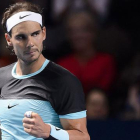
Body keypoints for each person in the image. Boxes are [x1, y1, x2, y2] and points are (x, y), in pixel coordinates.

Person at [0, 1, 90, 140]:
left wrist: (48, 130)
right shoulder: (1, 77)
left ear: (43, 33)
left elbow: (82, 137)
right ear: (9, 39)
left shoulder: (65, 81)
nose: (30, 43)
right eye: (21, 37)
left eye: (35, 34)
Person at [57, 11, 116, 94]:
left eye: (83, 30)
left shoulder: (106, 61)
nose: (78, 36)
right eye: (73, 32)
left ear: (93, 33)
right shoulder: (62, 64)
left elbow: (105, 92)